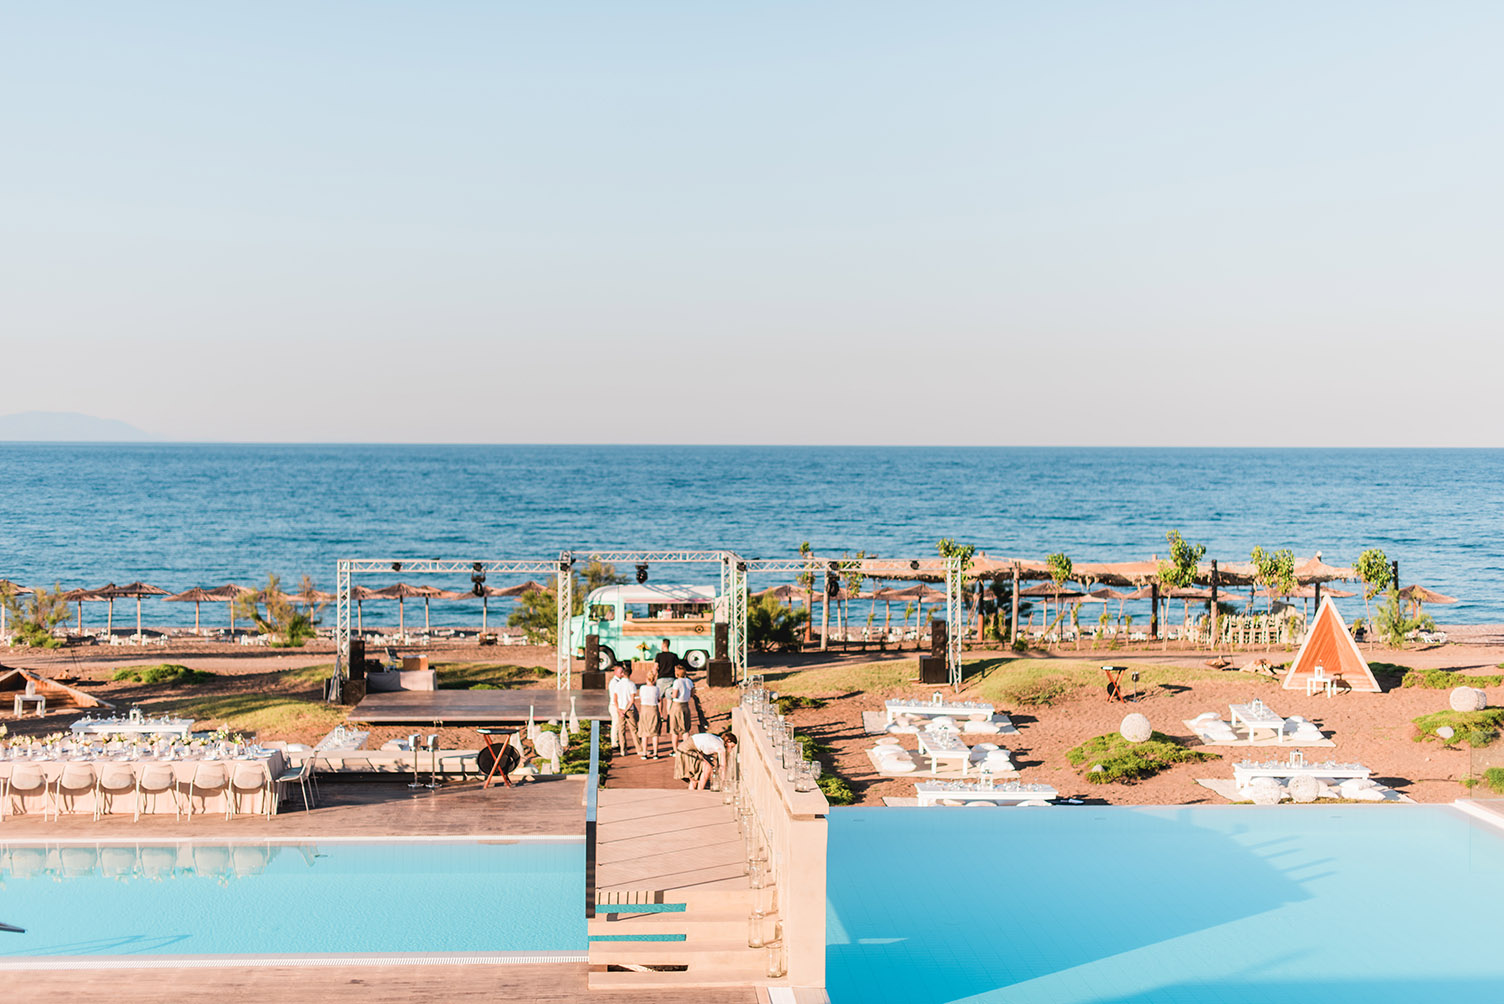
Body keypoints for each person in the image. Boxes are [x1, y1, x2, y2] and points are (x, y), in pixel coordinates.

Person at [607, 666, 640, 756]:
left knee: (621, 729)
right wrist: (625, 710)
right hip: (626, 708)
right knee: (632, 729)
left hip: (619, 708)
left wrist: (620, 710)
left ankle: (622, 749)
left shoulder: (618, 684)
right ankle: (638, 748)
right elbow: (632, 699)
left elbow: (615, 698)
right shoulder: (629, 684)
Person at [667, 664, 694, 751]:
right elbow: (692, 694)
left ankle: (675, 750)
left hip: (677, 705)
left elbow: (675, 695)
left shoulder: (677, 682)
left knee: (675, 730)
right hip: (686, 705)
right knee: (685, 729)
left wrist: (671, 695)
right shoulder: (689, 681)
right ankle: (686, 749)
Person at [636, 675, 662, 759]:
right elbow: (659, 699)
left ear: (646, 679)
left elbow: (641, 698)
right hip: (653, 709)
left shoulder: (642, 688)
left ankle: (644, 753)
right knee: (655, 733)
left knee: (644, 732)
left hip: (644, 709)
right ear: (654, 680)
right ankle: (655, 753)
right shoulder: (657, 688)